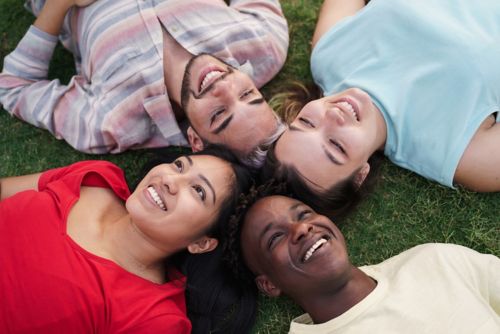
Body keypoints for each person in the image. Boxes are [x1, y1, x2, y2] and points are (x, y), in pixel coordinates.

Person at [263, 0, 500, 218]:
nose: (332, 117)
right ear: (359, 175)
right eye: (336, 146)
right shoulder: (452, 153)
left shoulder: (329, 56)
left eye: (306, 123)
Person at [0, 0, 288, 166]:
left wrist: (59, 4)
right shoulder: (266, 46)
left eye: (219, 114)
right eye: (249, 94)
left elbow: (14, 87)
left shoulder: (113, 122)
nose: (223, 87)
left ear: (196, 141)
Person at [0, 146, 254, 333]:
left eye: (198, 191)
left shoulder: (153, 317)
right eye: (179, 166)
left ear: (202, 243)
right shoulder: (96, 179)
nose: (169, 180)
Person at [225, 194, 500, 333]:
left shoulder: (436, 260)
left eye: (304, 214)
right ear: (269, 284)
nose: (302, 229)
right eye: (275, 238)